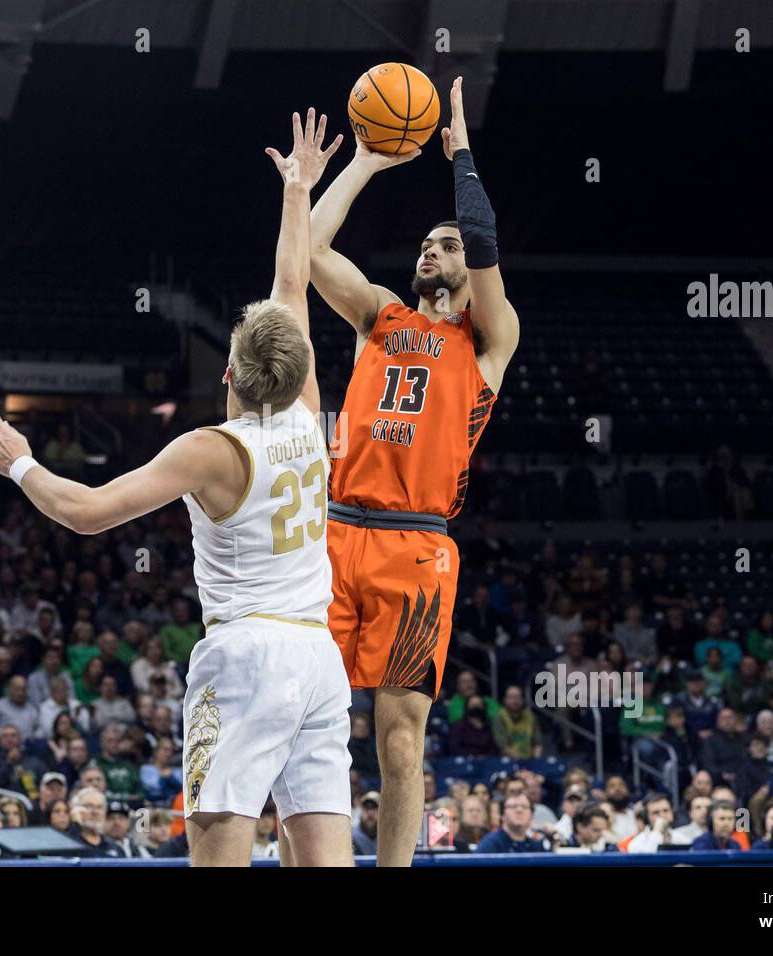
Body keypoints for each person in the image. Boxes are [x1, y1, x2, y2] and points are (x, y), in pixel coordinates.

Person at [0, 110, 352, 867]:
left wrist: (18, 461)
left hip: (246, 653)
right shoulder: (310, 418)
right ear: (297, 369)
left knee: (216, 846)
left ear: (226, 374)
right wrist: (297, 193)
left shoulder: (211, 451)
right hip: (319, 657)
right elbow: (291, 282)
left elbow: (81, 511)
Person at [310, 79, 520, 867]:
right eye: (428, 244)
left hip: (415, 548)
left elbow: (485, 239)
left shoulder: (489, 338)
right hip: (333, 532)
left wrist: (459, 152)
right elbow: (306, 252)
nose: (434, 251)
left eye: (449, 245)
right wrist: (364, 161)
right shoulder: (380, 313)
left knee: (400, 742)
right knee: (307, 713)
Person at [475, 793, 553, 853]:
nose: (519, 810)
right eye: (513, 806)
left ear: (531, 815)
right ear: (503, 815)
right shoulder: (490, 844)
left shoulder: (536, 847)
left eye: (524, 807)